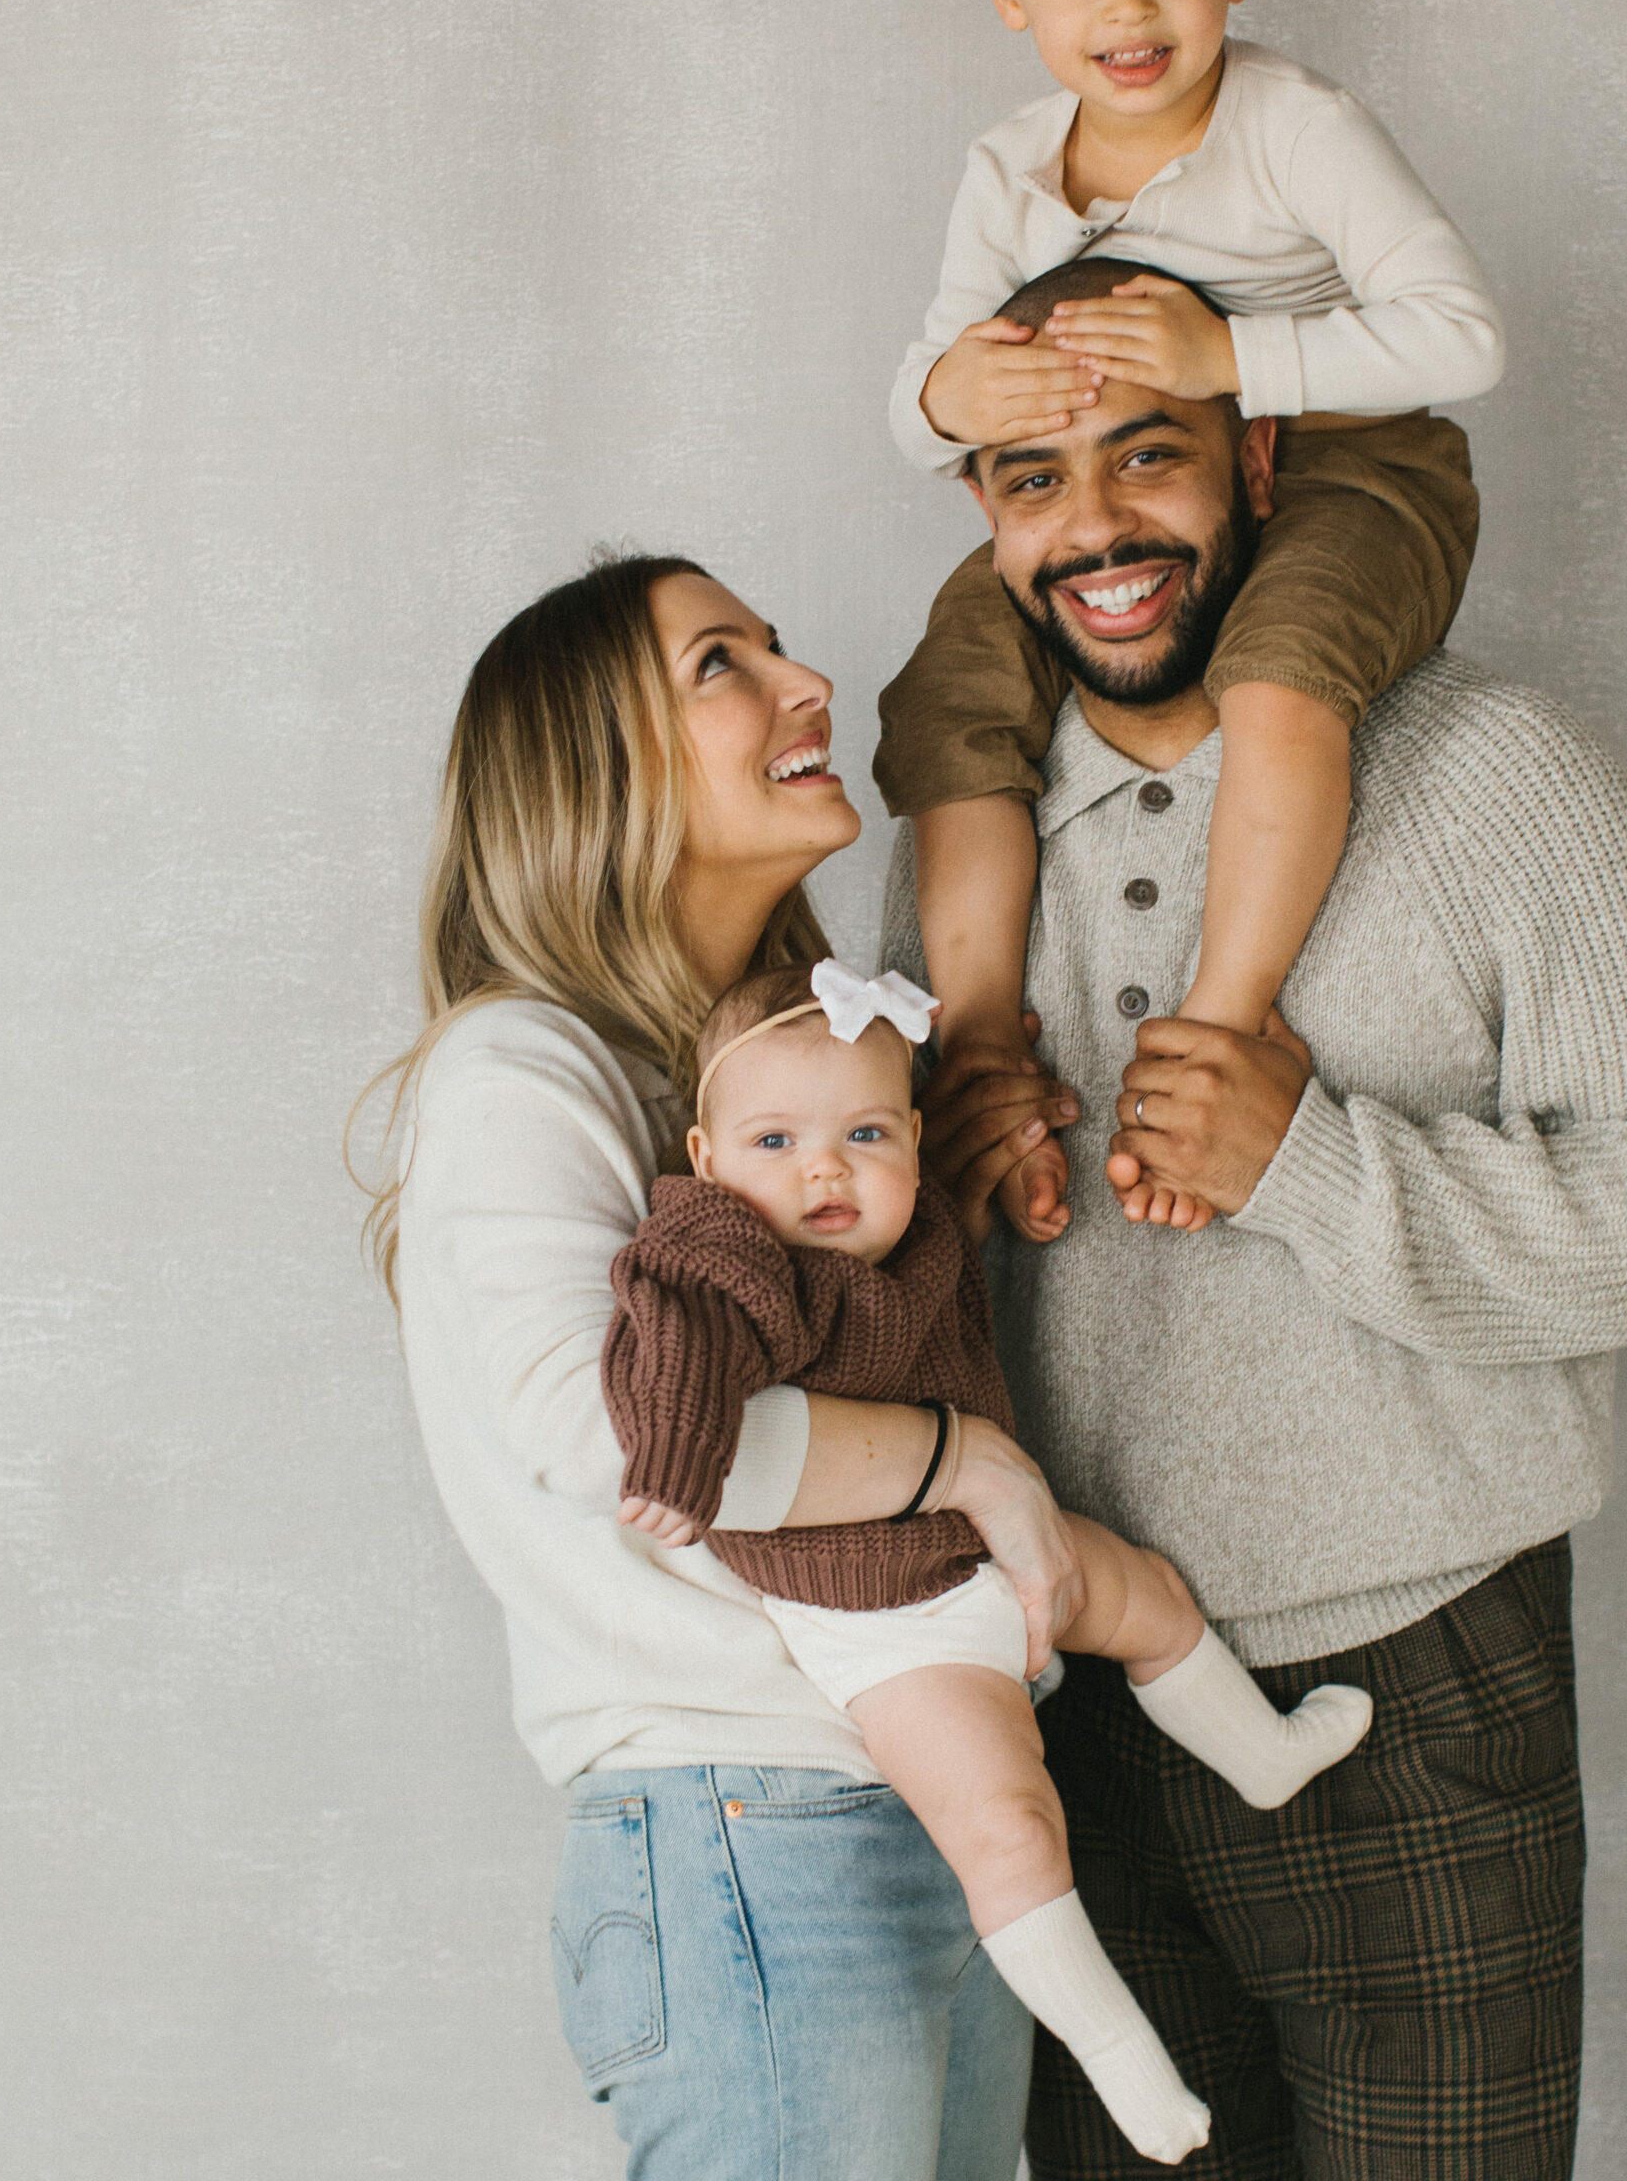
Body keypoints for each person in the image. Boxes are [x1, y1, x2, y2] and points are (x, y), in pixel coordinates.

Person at [885, 258, 1627, 2178]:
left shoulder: (1486, 771)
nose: (1098, 529)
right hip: (1064, 1711)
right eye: (1033, 480)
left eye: (1149, 459)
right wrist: (932, 1172)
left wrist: (1314, 1158)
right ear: (981, 509)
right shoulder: (961, 841)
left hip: (1417, 1691)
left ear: (1259, 452)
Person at [362, 553, 1102, 2180]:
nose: (802, 684)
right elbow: (608, 1436)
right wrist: (963, 1465)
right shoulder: (523, 1061)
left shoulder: (796, 1086)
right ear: (593, 767)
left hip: (914, 1799)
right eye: (722, 664)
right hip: (746, 1833)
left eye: (773, 644)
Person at [878, 0, 1502, 1234]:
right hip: (1137, 485)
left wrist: (1234, 355)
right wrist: (954, 393)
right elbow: (926, 414)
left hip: (1353, 460)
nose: (1131, 6)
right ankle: (978, 1046)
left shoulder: (1298, 129)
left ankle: (1225, 1017)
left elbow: (1464, 337)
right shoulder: (1009, 170)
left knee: (1280, 679)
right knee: (950, 690)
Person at [603, 957, 1372, 2165]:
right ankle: (1127, 2068)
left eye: (863, 1131)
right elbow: (676, 1319)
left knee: (1152, 1596)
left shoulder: (910, 1227)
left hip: (986, 1545)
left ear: (911, 1135)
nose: (823, 1168)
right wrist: (674, 1450)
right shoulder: (738, 1253)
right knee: (1008, 1825)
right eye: (773, 1138)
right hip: (885, 1620)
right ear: (705, 1159)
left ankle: (1261, 1755)